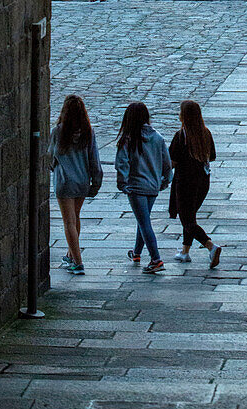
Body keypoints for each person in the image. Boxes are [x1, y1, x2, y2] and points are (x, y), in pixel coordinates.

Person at [48, 94, 103, 275]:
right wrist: (96, 183)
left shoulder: (58, 131)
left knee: (68, 221)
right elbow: (94, 160)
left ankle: (78, 262)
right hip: (81, 181)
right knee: (76, 217)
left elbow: (50, 157)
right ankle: (71, 254)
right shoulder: (88, 132)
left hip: (64, 182)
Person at [115, 102, 171, 273]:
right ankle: (137, 253)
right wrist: (165, 181)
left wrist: (122, 183)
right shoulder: (158, 138)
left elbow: (122, 163)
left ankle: (156, 259)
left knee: (144, 222)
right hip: (153, 186)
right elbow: (167, 163)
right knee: (143, 219)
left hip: (136, 186)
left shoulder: (128, 139)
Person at [169, 100, 222, 269]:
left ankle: (210, 246)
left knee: (187, 219)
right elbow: (212, 156)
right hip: (203, 181)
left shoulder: (181, 136)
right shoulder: (205, 133)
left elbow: (172, 161)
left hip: (185, 182)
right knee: (190, 216)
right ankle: (185, 252)